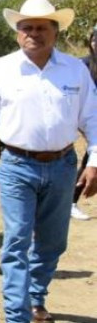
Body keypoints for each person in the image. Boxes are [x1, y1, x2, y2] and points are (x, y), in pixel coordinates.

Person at [0, 0, 97, 323]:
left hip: (62, 165)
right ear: (17, 34)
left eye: (42, 27)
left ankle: (35, 294)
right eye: (26, 28)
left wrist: (94, 163)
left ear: (55, 32)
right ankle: (17, 319)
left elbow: (92, 119)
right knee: (16, 241)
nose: (33, 34)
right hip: (16, 165)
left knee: (53, 241)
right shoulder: (0, 69)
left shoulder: (75, 71)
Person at [72, 22, 97, 220]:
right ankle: (71, 201)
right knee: (92, 157)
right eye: (94, 39)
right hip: (88, 119)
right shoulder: (82, 65)